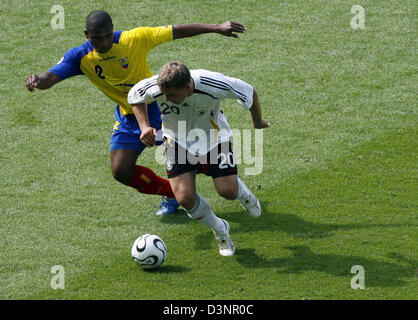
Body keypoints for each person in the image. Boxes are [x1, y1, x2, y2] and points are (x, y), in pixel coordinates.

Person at [24, 10, 247, 216]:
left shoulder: (133, 39)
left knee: (193, 156)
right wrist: (36, 80)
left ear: (113, 30)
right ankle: (172, 194)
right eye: (95, 37)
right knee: (120, 169)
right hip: (128, 116)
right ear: (86, 34)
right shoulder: (80, 57)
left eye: (106, 36)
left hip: (162, 109)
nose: (102, 42)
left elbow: (176, 31)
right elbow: (50, 78)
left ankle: (224, 178)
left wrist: (217, 27)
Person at [127, 61, 270, 256]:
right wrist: (144, 126)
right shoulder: (157, 86)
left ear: (188, 86)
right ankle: (220, 230)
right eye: (164, 94)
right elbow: (135, 95)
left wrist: (257, 120)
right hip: (177, 140)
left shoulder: (212, 83)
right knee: (184, 198)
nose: (166, 99)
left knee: (227, 191)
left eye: (172, 95)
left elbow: (248, 91)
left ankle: (242, 193)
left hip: (214, 138)